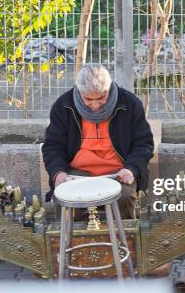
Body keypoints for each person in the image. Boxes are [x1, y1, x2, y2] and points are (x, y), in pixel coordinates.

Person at [42, 63, 154, 220]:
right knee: (67, 201)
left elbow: (143, 144)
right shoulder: (63, 106)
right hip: (76, 174)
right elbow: (53, 147)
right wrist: (58, 173)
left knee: (124, 197)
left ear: (109, 88)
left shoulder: (129, 104)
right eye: (88, 99)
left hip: (118, 172)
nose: (95, 105)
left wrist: (132, 169)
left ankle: (125, 242)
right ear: (79, 91)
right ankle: (71, 243)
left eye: (101, 97)